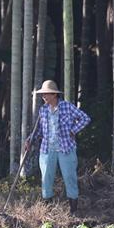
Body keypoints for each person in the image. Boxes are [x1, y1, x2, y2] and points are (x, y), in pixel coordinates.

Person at [24, 80, 91, 214]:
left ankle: (73, 211)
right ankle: (47, 211)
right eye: (43, 95)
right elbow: (39, 130)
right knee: (46, 179)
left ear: (54, 95)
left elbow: (85, 118)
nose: (44, 97)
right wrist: (30, 139)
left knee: (69, 177)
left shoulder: (67, 106)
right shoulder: (43, 110)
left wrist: (73, 130)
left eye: (46, 94)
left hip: (66, 148)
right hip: (47, 149)